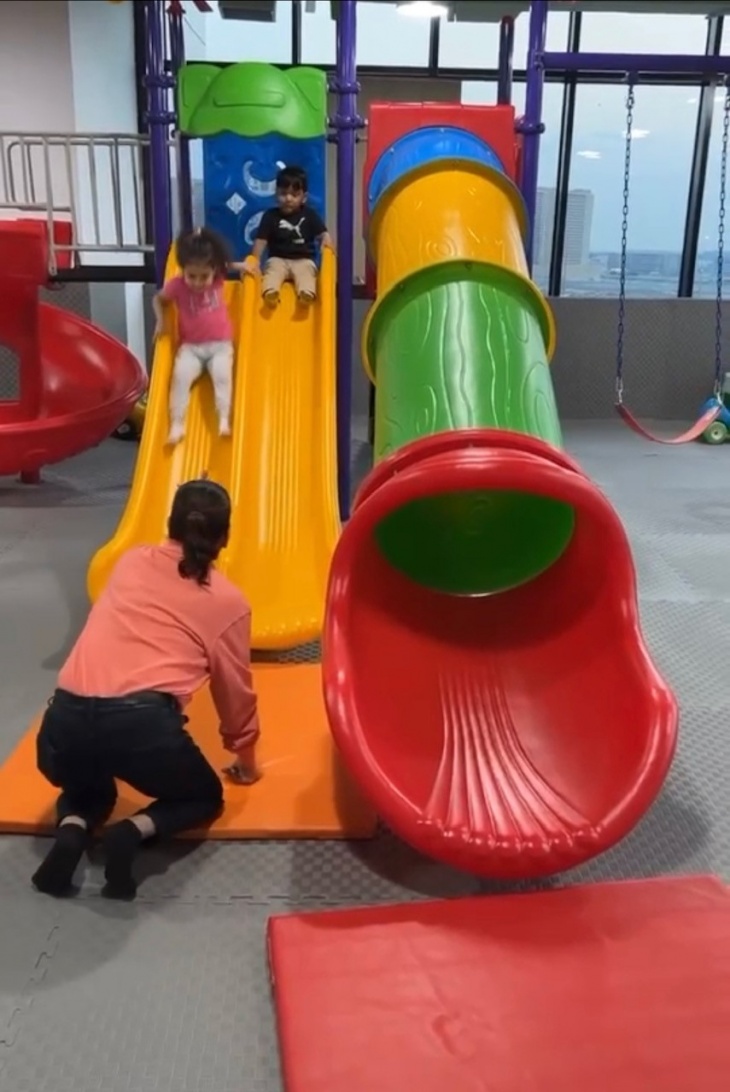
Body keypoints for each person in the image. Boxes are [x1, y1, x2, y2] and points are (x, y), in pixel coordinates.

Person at [32, 479, 261, 902]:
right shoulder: (227, 601)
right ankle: (131, 832)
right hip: (139, 727)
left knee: (88, 789)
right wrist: (245, 759)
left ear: (169, 524)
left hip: (62, 724)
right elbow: (235, 693)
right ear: (226, 537)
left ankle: (73, 830)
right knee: (203, 796)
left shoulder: (131, 562)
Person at [153, 228, 244, 446]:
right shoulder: (176, 285)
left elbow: (229, 264)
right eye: (191, 276)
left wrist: (245, 266)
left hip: (220, 346)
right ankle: (177, 424)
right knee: (180, 379)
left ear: (213, 271)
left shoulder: (218, 277)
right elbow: (157, 299)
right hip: (191, 348)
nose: (197, 282)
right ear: (183, 270)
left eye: (204, 277)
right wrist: (160, 320)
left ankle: (223, 419)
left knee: (222, 377)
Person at [246, 165, 334, 307]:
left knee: (306, 273)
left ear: (304, 198)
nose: (288, 198)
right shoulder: (270, 216)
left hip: (303, 259)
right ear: (276, 194)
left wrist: (326, 240)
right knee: (272, 272)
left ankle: (306, 294)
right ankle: (270, 292)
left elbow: (323, 233)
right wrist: (254, 260)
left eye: (294, 195)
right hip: (278, 259)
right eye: (283, 193)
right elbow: (261, 241)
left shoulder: (309, 215)